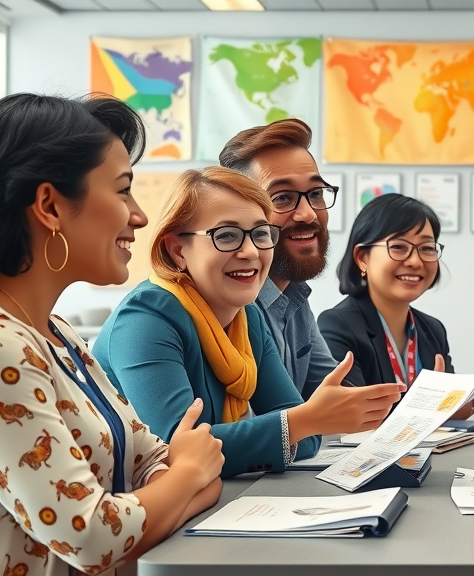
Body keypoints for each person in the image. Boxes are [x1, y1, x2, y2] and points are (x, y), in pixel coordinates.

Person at [0, 93, 223, 575]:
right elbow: (90, 536)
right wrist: (183, 477)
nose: (139, 215)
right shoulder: (5, 349)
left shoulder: (57, 335)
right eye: (122, 190)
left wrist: (168, 485)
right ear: (50, 206)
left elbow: (160, 460)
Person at [93, 167, 405, 478]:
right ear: (177, 250)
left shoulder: (247, 316)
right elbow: (175, 450)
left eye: (261, 233)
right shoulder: (144, 320)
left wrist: (303, 422)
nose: (251, 251)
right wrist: (303, 421)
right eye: (226, 235)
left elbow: (305, 438)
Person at [318, 194, 474, 419]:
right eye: (398, 246)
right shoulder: (337, 325)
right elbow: (355, 413)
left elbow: (445, 409)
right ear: (362, 258)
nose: (415, 261)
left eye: (427, 248)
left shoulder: (432, 329)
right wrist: (428, 403)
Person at [219, 119, 338, 400]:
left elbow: (336, 397)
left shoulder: (294, 296)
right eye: (283, 197)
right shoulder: (226, 306)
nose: (308, 214)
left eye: (316, 193)